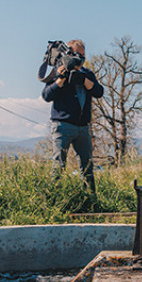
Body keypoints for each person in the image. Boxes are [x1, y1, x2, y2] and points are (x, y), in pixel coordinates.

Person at [41, 39, 104, 193]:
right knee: (59, 165)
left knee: (87, 167)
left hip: (83, 127)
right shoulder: (58, 71)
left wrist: (84, 80)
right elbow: (46, 95)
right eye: (78, 54)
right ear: (70, 54)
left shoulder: (87, 73)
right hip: (62, 126)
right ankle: (54, 199)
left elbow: (99, 92)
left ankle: (90, 199)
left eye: (83, 55)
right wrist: (60, 79)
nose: (81, 58)